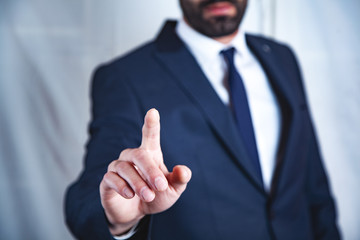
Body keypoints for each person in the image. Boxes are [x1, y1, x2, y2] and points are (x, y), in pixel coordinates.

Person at [65, 0, 341, 239]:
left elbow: (312, 182)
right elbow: (90, 191)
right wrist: (117, 219)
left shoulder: (282, 57)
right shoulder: (124, 77)